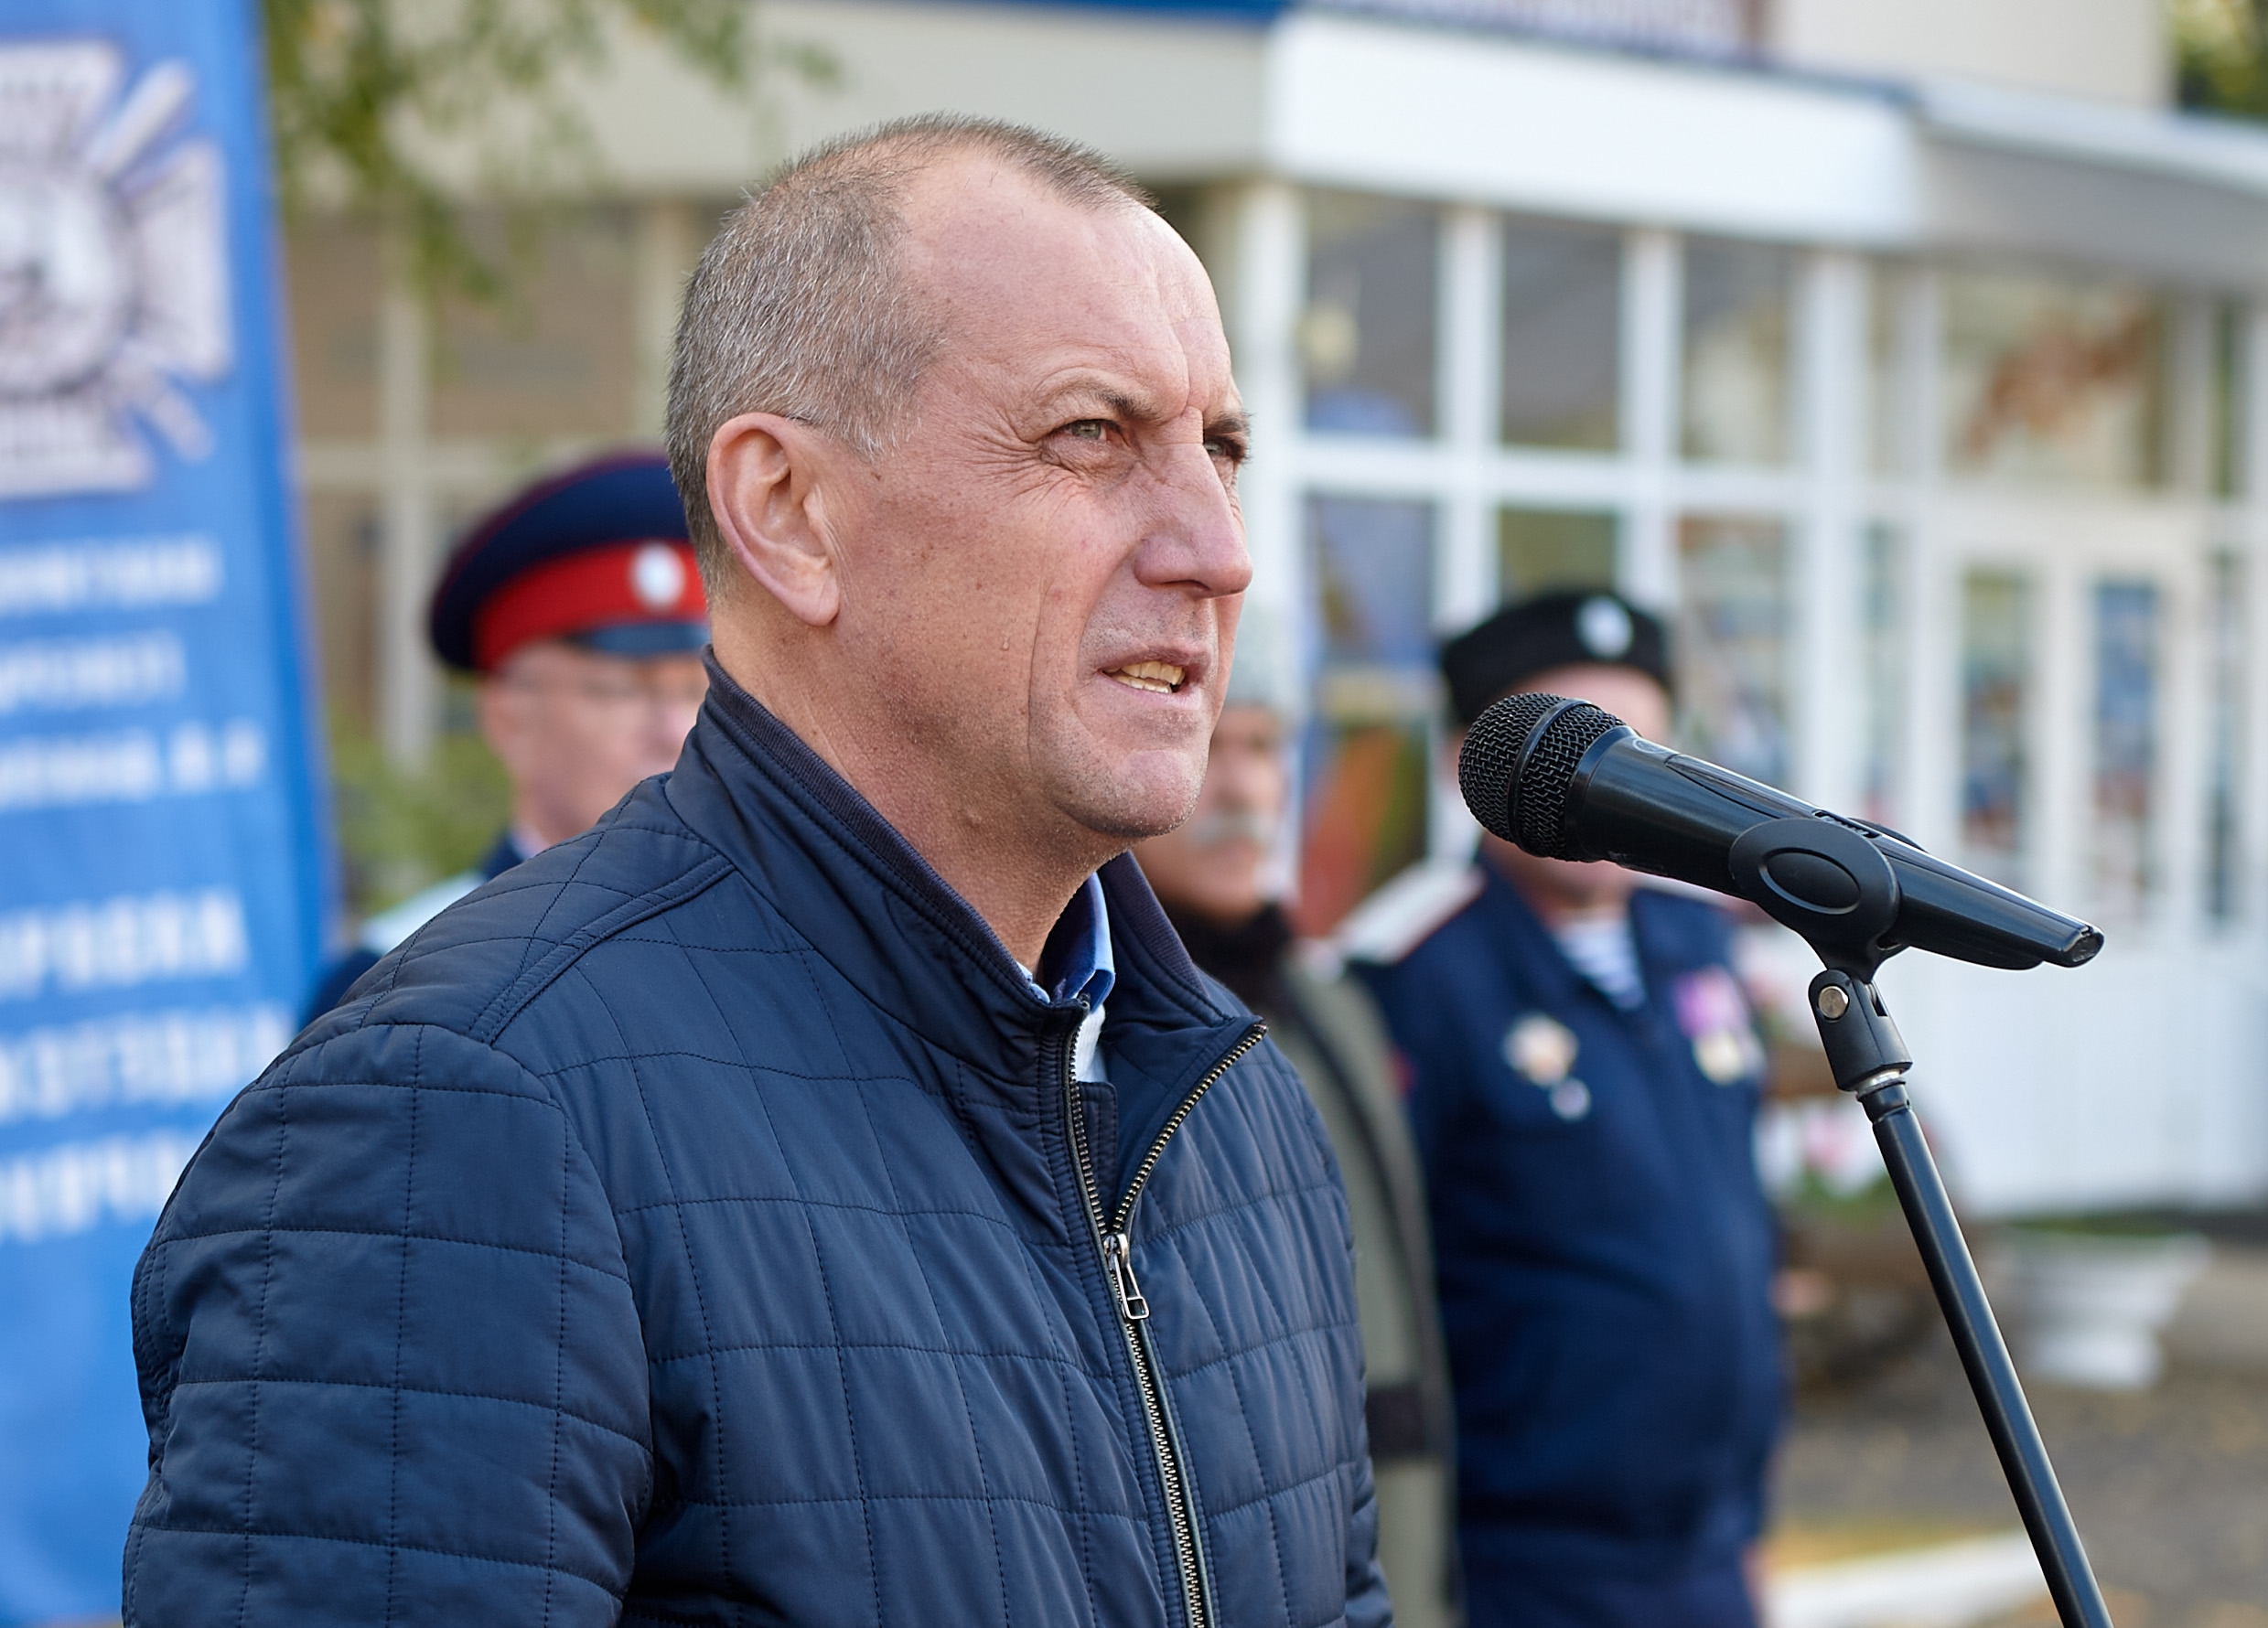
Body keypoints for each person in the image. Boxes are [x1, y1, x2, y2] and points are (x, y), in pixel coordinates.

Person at [124, 116, 1388, 1628]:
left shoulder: (1233, 1105)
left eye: (1220, 450)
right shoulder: (462, 1112)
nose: (1217, 550)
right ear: (789, 513)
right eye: (1090, 435)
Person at [1344, 591, 1780, 1628]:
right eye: (1572, 753)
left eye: (1638, 753)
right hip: (1520, 1564)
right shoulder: (1409, 977)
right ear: (1474, 765)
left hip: (1710, 1545)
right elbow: (1371, 1294)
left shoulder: (1693, 941)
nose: (1610, 793)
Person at [1134, 602, 1456, 1628]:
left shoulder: (1333, 1008)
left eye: (1264, 747)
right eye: (1207, 744)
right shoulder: (1096, 1027)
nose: (1239, 791)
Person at [303, 452, 708, 1018]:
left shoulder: (777, 949)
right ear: (509, 719)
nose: (673, 730)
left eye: (697, 689)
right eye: (619, 690)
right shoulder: (400, 984)